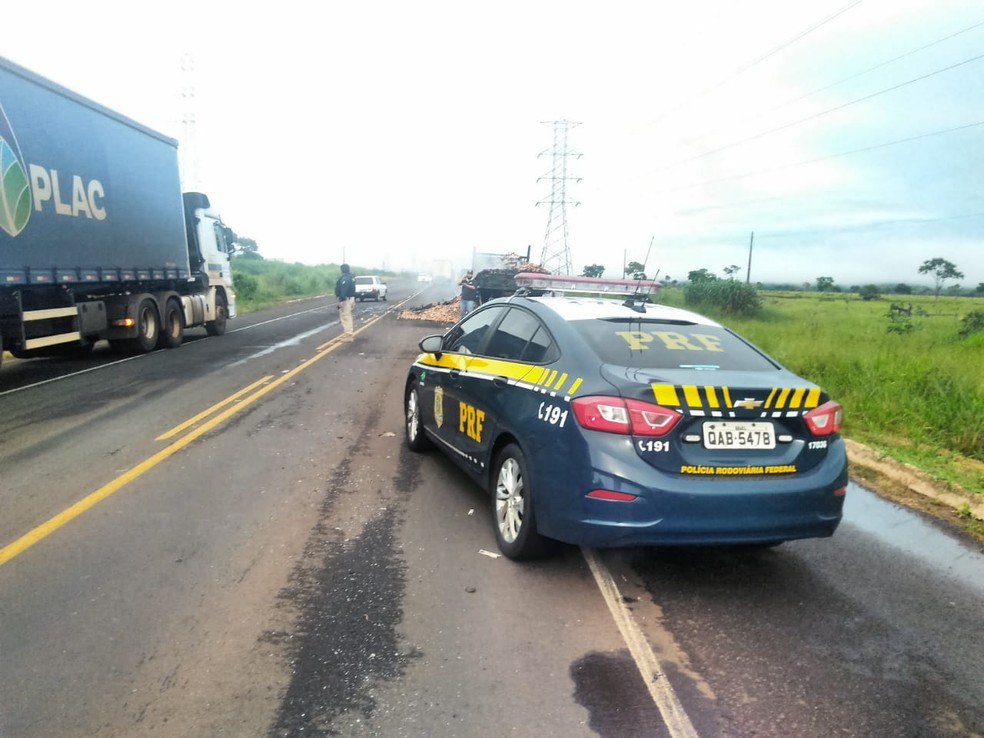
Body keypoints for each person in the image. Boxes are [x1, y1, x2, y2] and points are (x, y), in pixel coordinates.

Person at [335, 263, 356, 341]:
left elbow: (344, 289)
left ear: (341, 270)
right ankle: (347, 334)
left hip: (346, 299)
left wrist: (342, 300)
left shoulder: (345, 279)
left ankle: (348, 336)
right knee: (347, 316)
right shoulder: (351, 277)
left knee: (346, 317)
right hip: (350, 298)